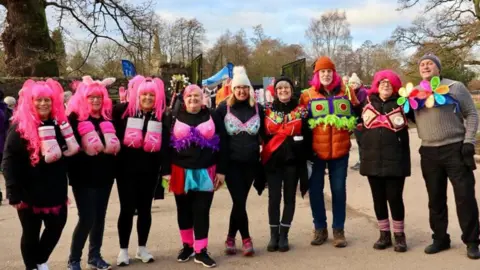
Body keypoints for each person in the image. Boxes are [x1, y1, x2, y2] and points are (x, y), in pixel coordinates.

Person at [2, 78, 80, 270]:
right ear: (31, 102)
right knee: (30, 233)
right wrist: (12, 192)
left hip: (54, 189)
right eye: (39, 100)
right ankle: (33, 266)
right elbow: (9, 161)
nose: (43, 103)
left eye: (47, 100)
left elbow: (69, 154)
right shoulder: (19, 129)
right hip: (28, 192)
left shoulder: (59, 125)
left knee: (56, 227)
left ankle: (38, 259)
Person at [414, 53, 480, 259]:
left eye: (430, 63)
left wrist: (469, 141)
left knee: (464, 197)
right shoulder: (413, 93)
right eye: (422, 64)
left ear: (438, 69)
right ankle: (440, 238)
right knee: (435, 198)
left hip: (455, 149)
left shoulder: (455, 87)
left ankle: (471, 241)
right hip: (429, 151)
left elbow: (472, 113)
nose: (425, 66)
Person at [162, 84, 227, 268]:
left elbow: (224, 143)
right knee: (183, 210)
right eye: (189, 96)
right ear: (184, 98)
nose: (193, 99)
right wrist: (166, 171)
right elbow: (165, 145)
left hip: (207, 170)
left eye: (196, 96)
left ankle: (201, 250)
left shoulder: (213, 115)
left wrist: (222, 171)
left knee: (202, 210)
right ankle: (187, 246)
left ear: (203, 98)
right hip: (179, 170)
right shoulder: (173, 116)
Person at [300, 56, 359, 248]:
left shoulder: (346, 92)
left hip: (340, 151)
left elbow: (358, 111)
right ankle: (320, 228)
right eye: (322, 71)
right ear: (316, 74)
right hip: (316, 151)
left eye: (329, 71)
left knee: (339, 190)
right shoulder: (307, 95)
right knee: (315, 191)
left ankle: (338, 230)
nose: (325, 74)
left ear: (334, 73)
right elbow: (300, 121)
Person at [112, 75, 167, 266]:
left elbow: (166, 145)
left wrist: (165, 170)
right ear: (137, 95)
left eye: (152, 95)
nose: (148, 98)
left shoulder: (160, 117)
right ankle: (123, 250)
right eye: (144, 95)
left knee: (145, 210)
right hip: (125, 171)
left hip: (150, 171)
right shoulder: (122, 112)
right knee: (126, 209)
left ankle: (142, 248)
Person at [65, 76, 120, 270]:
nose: (95, 101)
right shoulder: (73, 118)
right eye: (91, 97)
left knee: (99, 217)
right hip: (82, 178)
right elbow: (68, 148)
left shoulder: (107, 118)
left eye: (98, 97)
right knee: (87, 217)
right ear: (83, 98)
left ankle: (94, 256)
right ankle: (74, 259)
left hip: (104, 176)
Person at [359, 70, 412, 252]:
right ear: (376, 85)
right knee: (378, 198)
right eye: (382, 82)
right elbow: (355, 123)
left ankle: (399, 235)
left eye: (389, 83)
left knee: (395, 198)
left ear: (395, 85)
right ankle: (384, 234)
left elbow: (420, 116)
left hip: (396, 159)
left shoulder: (403, 103)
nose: (385, 85)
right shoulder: (366, 102)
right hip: (372, 158)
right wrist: (363, 141)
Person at [216, 66, 265, 256]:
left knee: (240, 202)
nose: (242, 91)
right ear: (233, 89)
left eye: (245, 88)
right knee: (238, 201)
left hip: (251, 163)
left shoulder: (258, 108)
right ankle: (246, 239)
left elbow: (266, 134)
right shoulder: (223, 108)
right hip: (231, 163)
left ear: (249, 89)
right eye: (238, 88)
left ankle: (230, 237)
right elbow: (216, 135)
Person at [262, 76, 310, 252]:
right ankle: (273, 235)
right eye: (280, 88)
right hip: (273, 162)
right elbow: (261, 133)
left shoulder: (302, 111)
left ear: (291, 90)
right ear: (275, 91)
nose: (283, 90)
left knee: (290, 198)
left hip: (293, 162)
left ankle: (284, 235)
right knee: (274, 198)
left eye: (286, 88)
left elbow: (308, 135)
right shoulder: (266, 110)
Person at [348, 73, 368, 171]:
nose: (352, 85)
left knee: (362, 142)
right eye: (351, 83)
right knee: (360, 142)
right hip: (356, 121)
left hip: (361, 121)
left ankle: (363, 162)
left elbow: (360, 107)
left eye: (354, 83)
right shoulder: (352, 92)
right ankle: (363, 161)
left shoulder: (362, 92)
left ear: (358, 83)